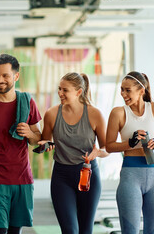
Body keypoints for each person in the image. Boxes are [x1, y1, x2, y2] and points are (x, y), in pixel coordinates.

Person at [0, 53, 42, 234]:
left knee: (14, 232)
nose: (0, 80)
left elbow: (38, 138)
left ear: (16, 76)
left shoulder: (27, 102)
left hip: (22, 179)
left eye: (5, 75)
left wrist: (29, 133)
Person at [39, 72, 109, 234]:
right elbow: (44, 140)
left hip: (88, 175)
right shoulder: (51, 114)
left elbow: (107, 149)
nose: (60, 93)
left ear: (78, 92)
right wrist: (44, 144)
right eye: (59, 89)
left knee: (85, 230)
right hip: (62, 176)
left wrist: (98, 152)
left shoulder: (94, 114)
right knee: (69, 230)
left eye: (65, 90)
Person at [106, 71, 154, 234]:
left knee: (153, 232)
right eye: (122, 89)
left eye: (127, 90)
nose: (123, 94)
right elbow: (109, 146)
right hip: (131, 176)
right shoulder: (118, 113)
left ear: (141, 91)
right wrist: (130, 143)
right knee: (130, 231)